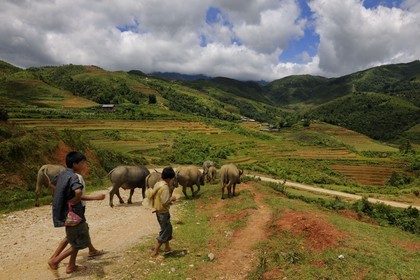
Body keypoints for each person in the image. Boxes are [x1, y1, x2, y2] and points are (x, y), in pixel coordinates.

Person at [47, 151, 105, 276]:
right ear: (75, 164)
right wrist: (94, 198)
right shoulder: (74, 177)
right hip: (74, 213)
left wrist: (63, 194)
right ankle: (55, 260)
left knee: (71, 237)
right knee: (80, 241)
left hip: (65, 213)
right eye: (82, 162)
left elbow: (51, 183)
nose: (84, 165)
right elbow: (78, 192)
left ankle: (70, 264)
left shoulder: (62, 174)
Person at [149, 167, 178, 258]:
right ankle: (155, 252)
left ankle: (167, 247)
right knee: (165, 231)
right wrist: (172, 199)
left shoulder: (158, 184)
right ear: (169, 178)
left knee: (168, 228)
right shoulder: (165, 187)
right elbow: (165, 201)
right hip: (163, 212)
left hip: (159, 211)